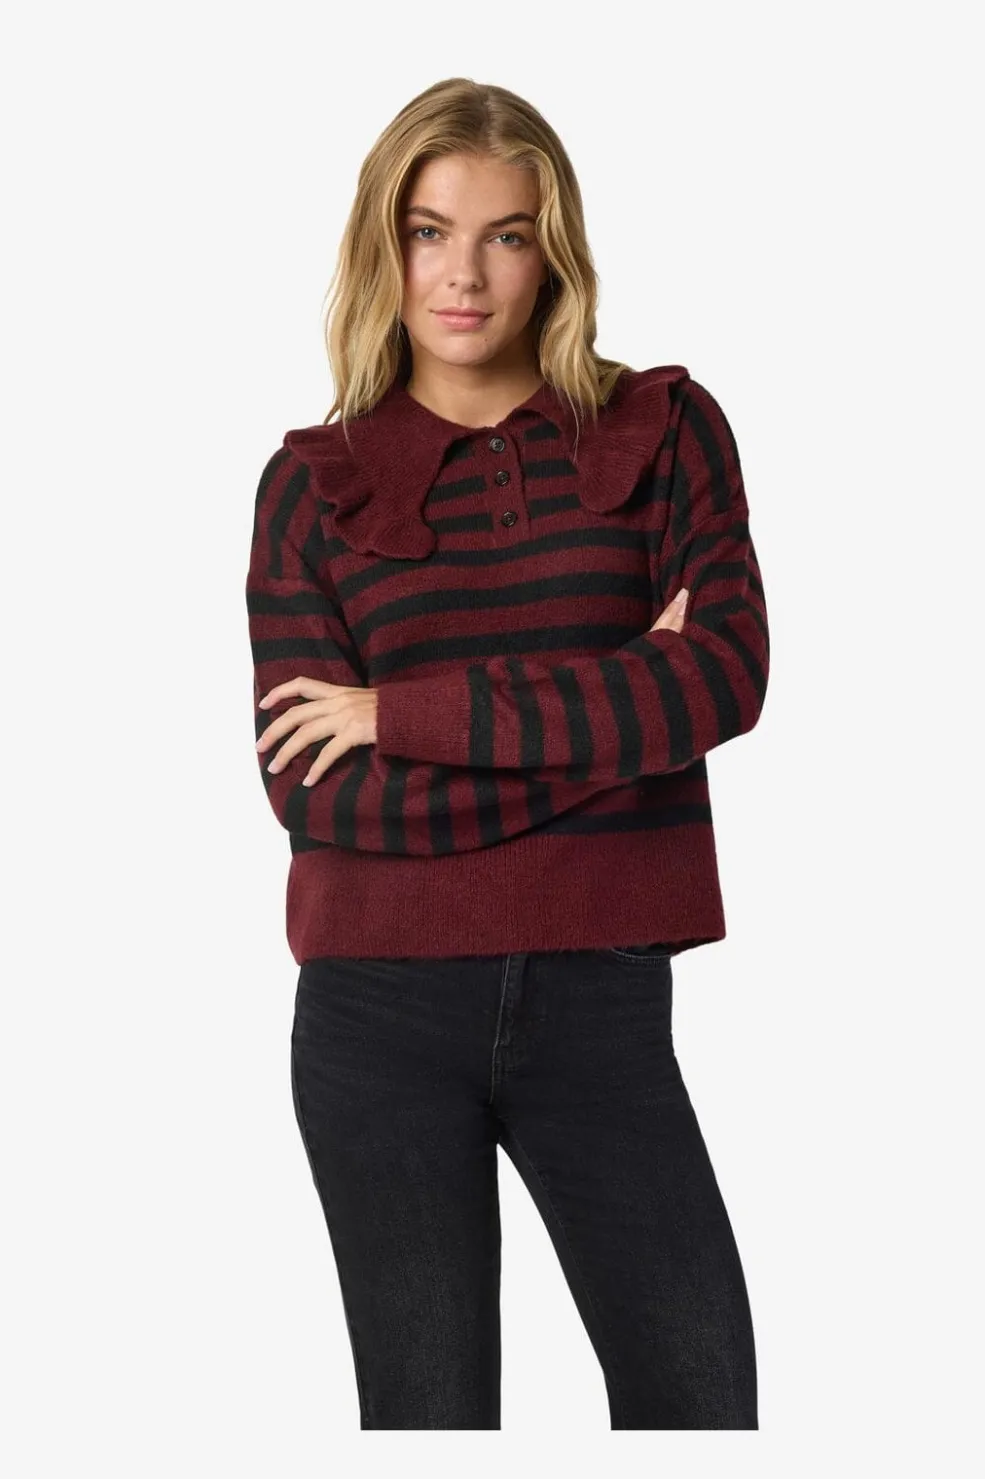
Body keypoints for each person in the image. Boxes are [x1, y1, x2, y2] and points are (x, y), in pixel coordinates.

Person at [245, 77, 769, 1430]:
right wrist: (624, 721)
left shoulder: (663, 432)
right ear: (384, 244)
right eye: (429, 232)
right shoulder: (311, 485)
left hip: (602, 1000)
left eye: (506, 235)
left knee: (701, 1404)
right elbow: (316, 791)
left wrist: (402, 714)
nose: (464, 275)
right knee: (430, 1428)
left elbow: (724, 676)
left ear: (555, 250)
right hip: (375, 1017)